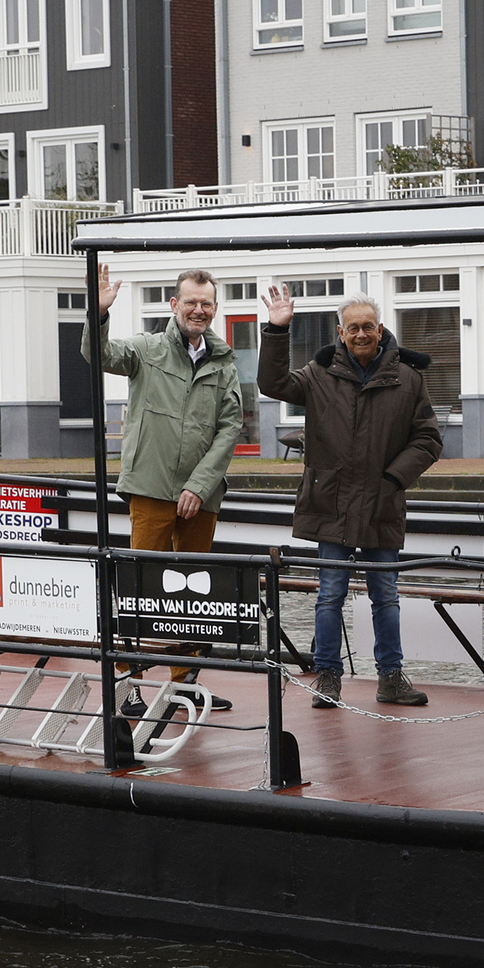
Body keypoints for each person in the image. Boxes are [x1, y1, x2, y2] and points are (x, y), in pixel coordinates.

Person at [259, 286, 442, 708]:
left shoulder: (408, 378)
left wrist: (393, 480)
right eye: (352, 328)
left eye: (368, 327)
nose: (361, 334)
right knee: (329, 595)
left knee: (386, 597)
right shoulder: (318, 375)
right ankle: (328, 677)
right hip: (332, 504)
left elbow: (429, 439)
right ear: (340, 333)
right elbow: (272, 382)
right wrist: (276, 329)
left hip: (381, 504)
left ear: (380, 330)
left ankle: (390, 678)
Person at [93, 265, 250, 553]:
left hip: (202, 497)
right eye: (190, 302)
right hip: (150, 488)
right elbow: (99, 355)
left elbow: (229, 430)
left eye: (205, 303)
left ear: (215, 309)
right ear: (175, 305)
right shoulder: (145, 349)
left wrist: (199, 487)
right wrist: (99, 314)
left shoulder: (224, 365)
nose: (198, 310)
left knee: (194, 581)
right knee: (145, 581)